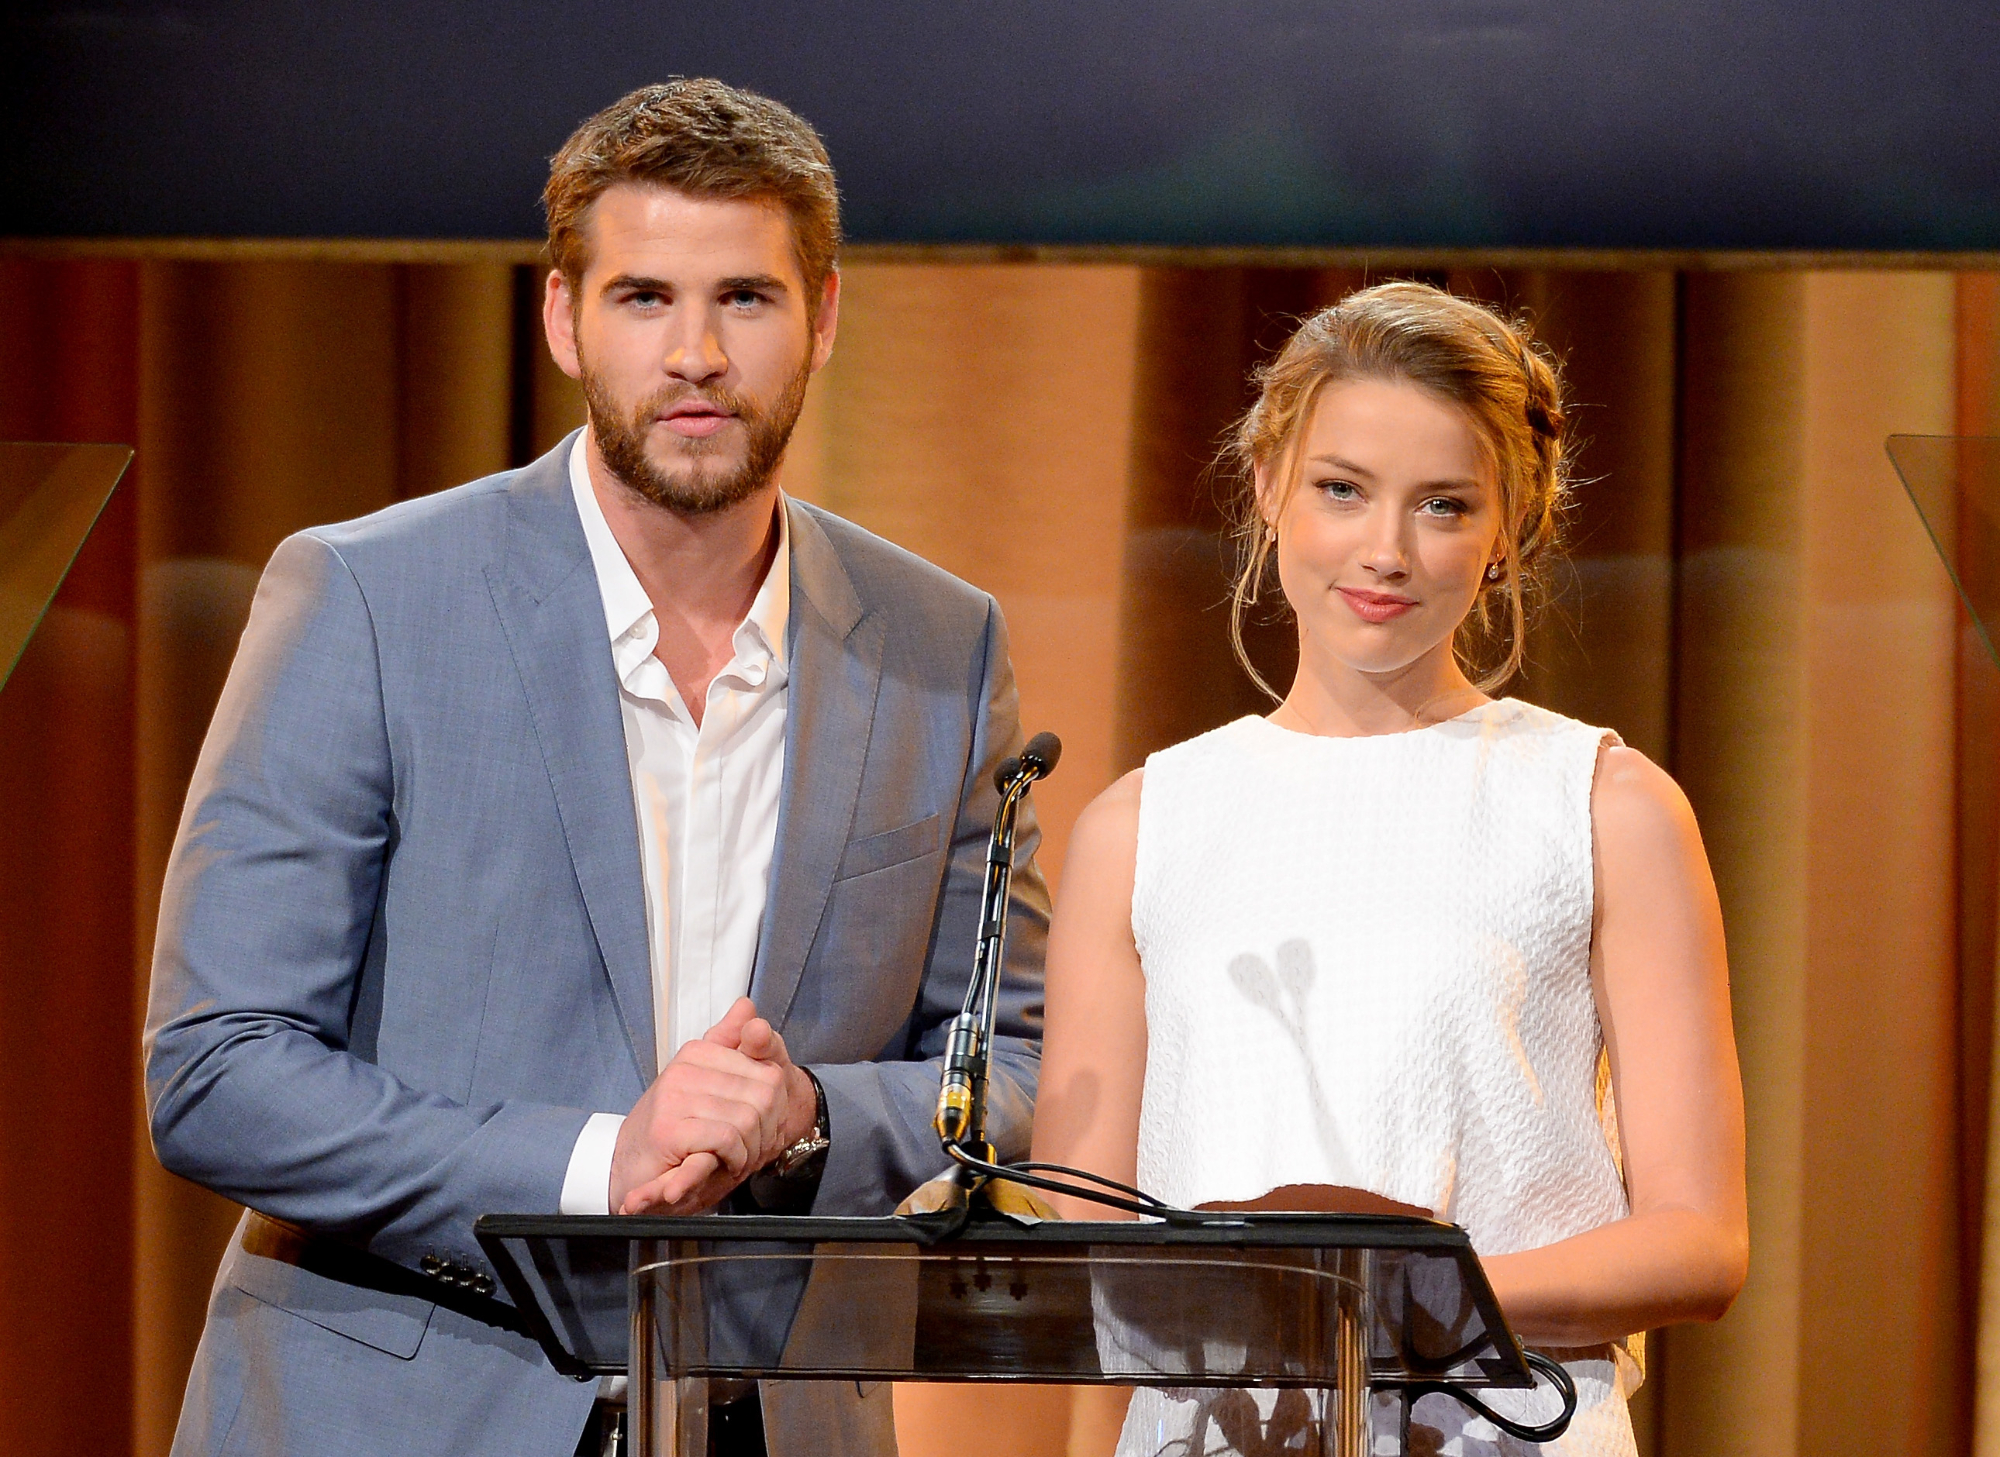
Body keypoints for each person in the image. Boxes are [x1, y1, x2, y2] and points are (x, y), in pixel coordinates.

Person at [144, 79, 1047, 1457]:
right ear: (564, 317)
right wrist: (590, 1164)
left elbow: (1010, 1067)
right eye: (643, 299)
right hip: (405, 1407)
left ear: (826, 315)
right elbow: (218, 1070)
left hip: (771, 1414)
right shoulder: (367, 597)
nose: (694, 353)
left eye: (745, 297)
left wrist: (807, 1116)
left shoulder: (943, 642)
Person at [1030, 282, 1747, 1455]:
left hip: (1502, 1429)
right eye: (1341, 489)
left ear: (1510, 526)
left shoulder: (1603, 804)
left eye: (1443, 505)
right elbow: (1081, 1249)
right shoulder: (1139, 823)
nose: (1385, 550)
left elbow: (1699, 1238)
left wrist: (1392, 1306)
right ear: (1266, 487)